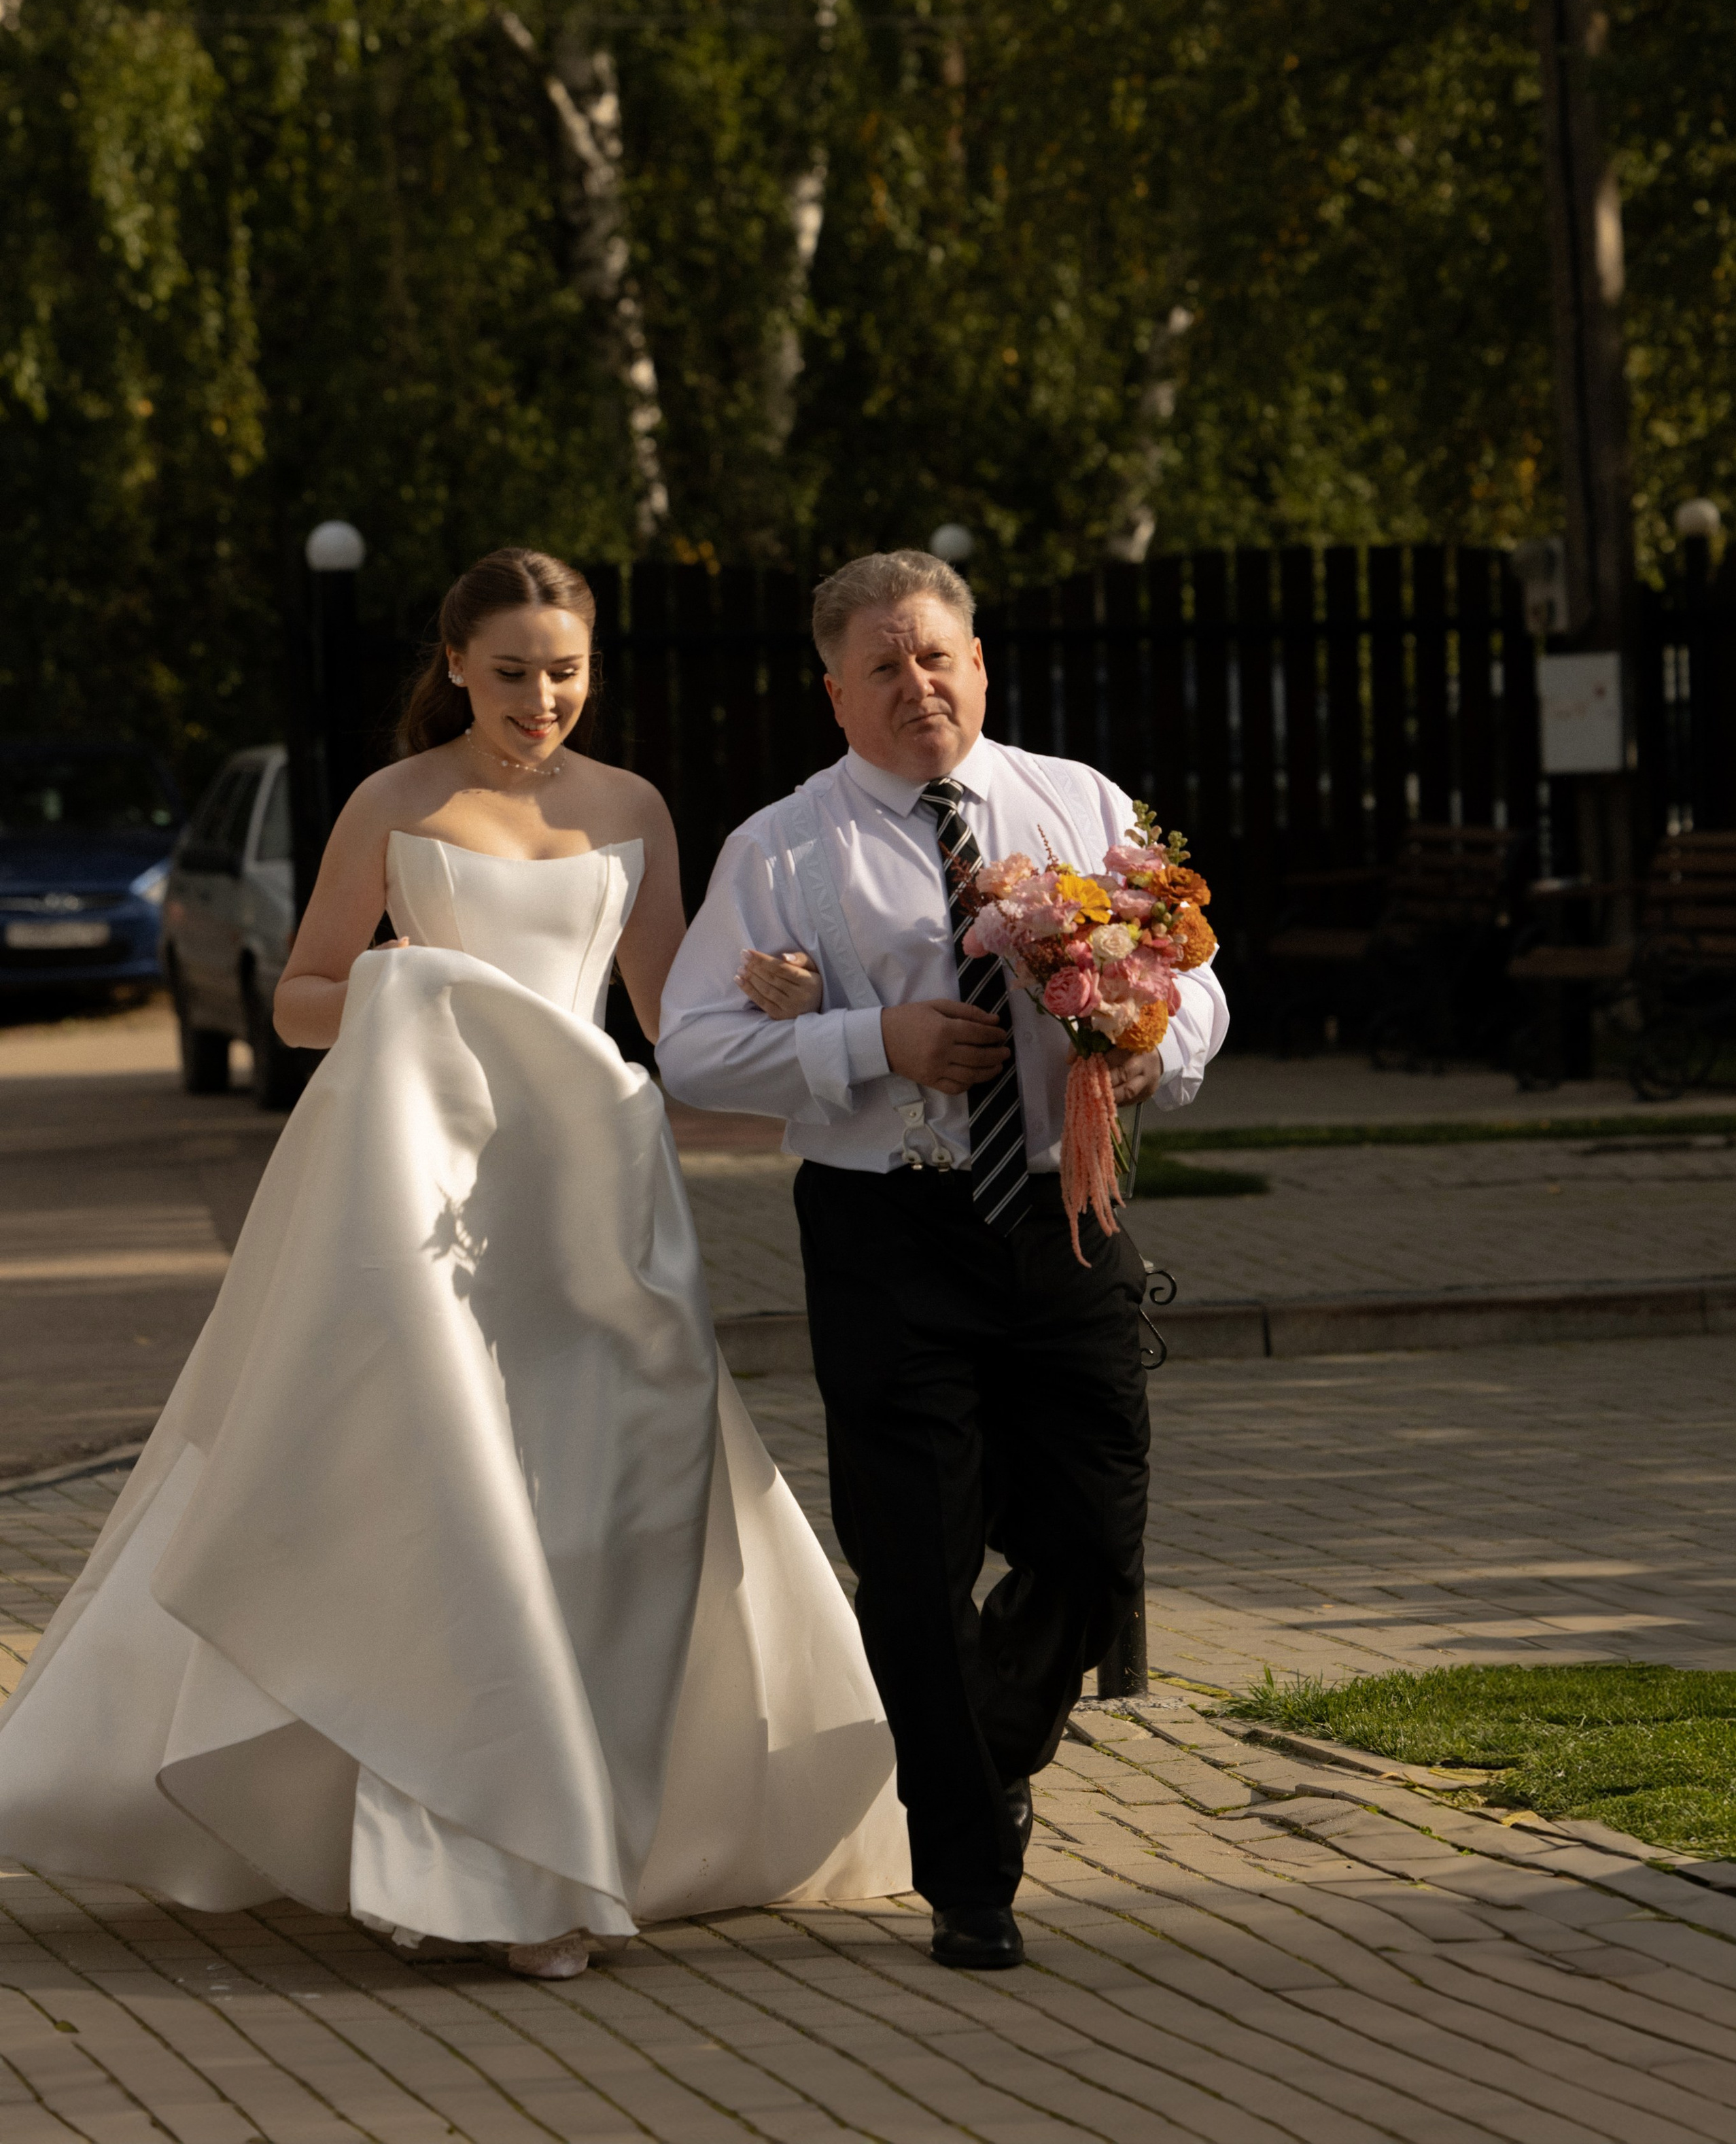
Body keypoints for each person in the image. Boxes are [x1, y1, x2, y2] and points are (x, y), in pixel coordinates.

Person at [0, 547, 908, 1976]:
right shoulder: (395, 800)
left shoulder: (634, 808)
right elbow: (298, 1001)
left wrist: (779, 998)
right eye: (508, 675)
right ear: (454, 666)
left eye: (564, 673)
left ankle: (589, 1825)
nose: (538, 700)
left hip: (595, 1191)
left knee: (620, 1493)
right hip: (428, 1191)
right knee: (447, 1496)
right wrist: (407, 981)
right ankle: (476, 1853)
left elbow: (672, 1023)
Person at [657, 549, 1228, 1971]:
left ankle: (979, 1747)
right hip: (887, 1231)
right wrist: (870, 1041)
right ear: (833, 688)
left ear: (976, 665)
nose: (917, 684)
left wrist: (1156, 1043)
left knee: (1094, 1540)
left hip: (1062, 1214)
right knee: (912, 1567)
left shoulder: (1081, 802)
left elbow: (1195, 972)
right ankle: (967, 1878)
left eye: (937, 657)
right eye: (882, 665)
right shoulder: (778, 848)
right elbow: (690, 1047)